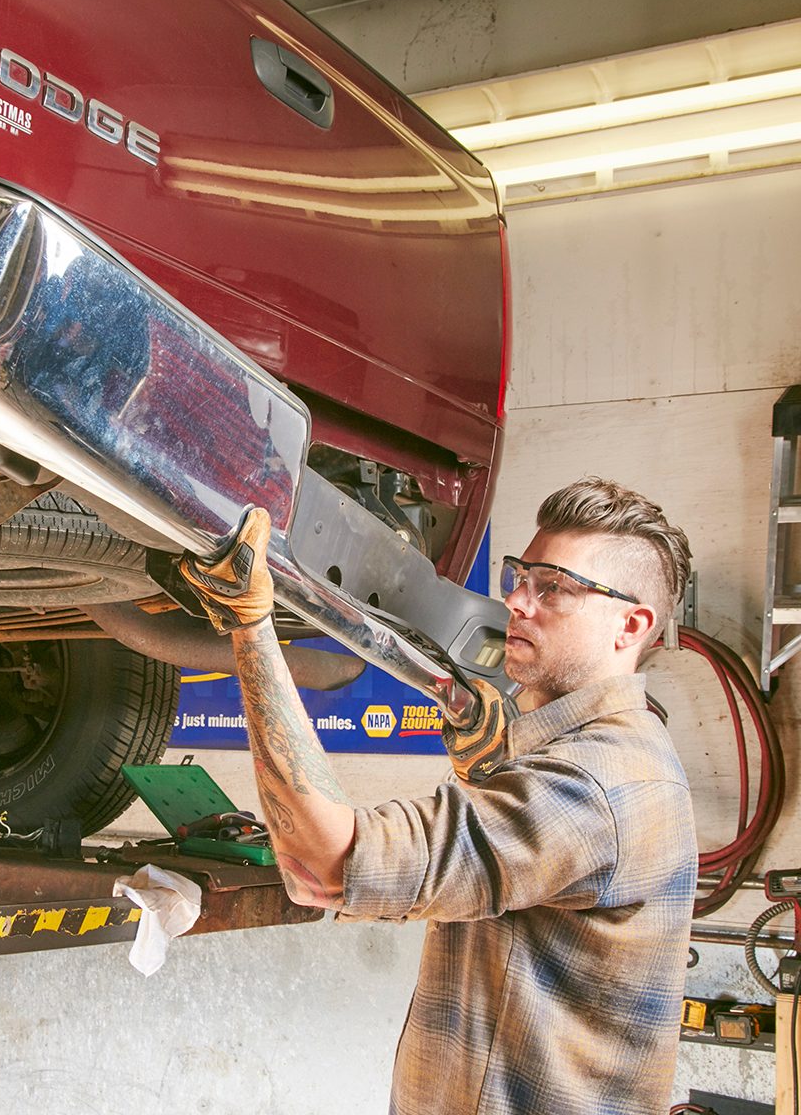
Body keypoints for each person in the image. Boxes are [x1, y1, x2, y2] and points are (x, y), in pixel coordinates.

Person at [179, 477, 697, 1115]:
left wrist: (251, 628)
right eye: (520, 575)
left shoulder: (595, 786)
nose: (517, 600)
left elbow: (321, 864)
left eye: (553, 588)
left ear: (631, 625)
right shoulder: (616, 755)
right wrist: (490, 767)